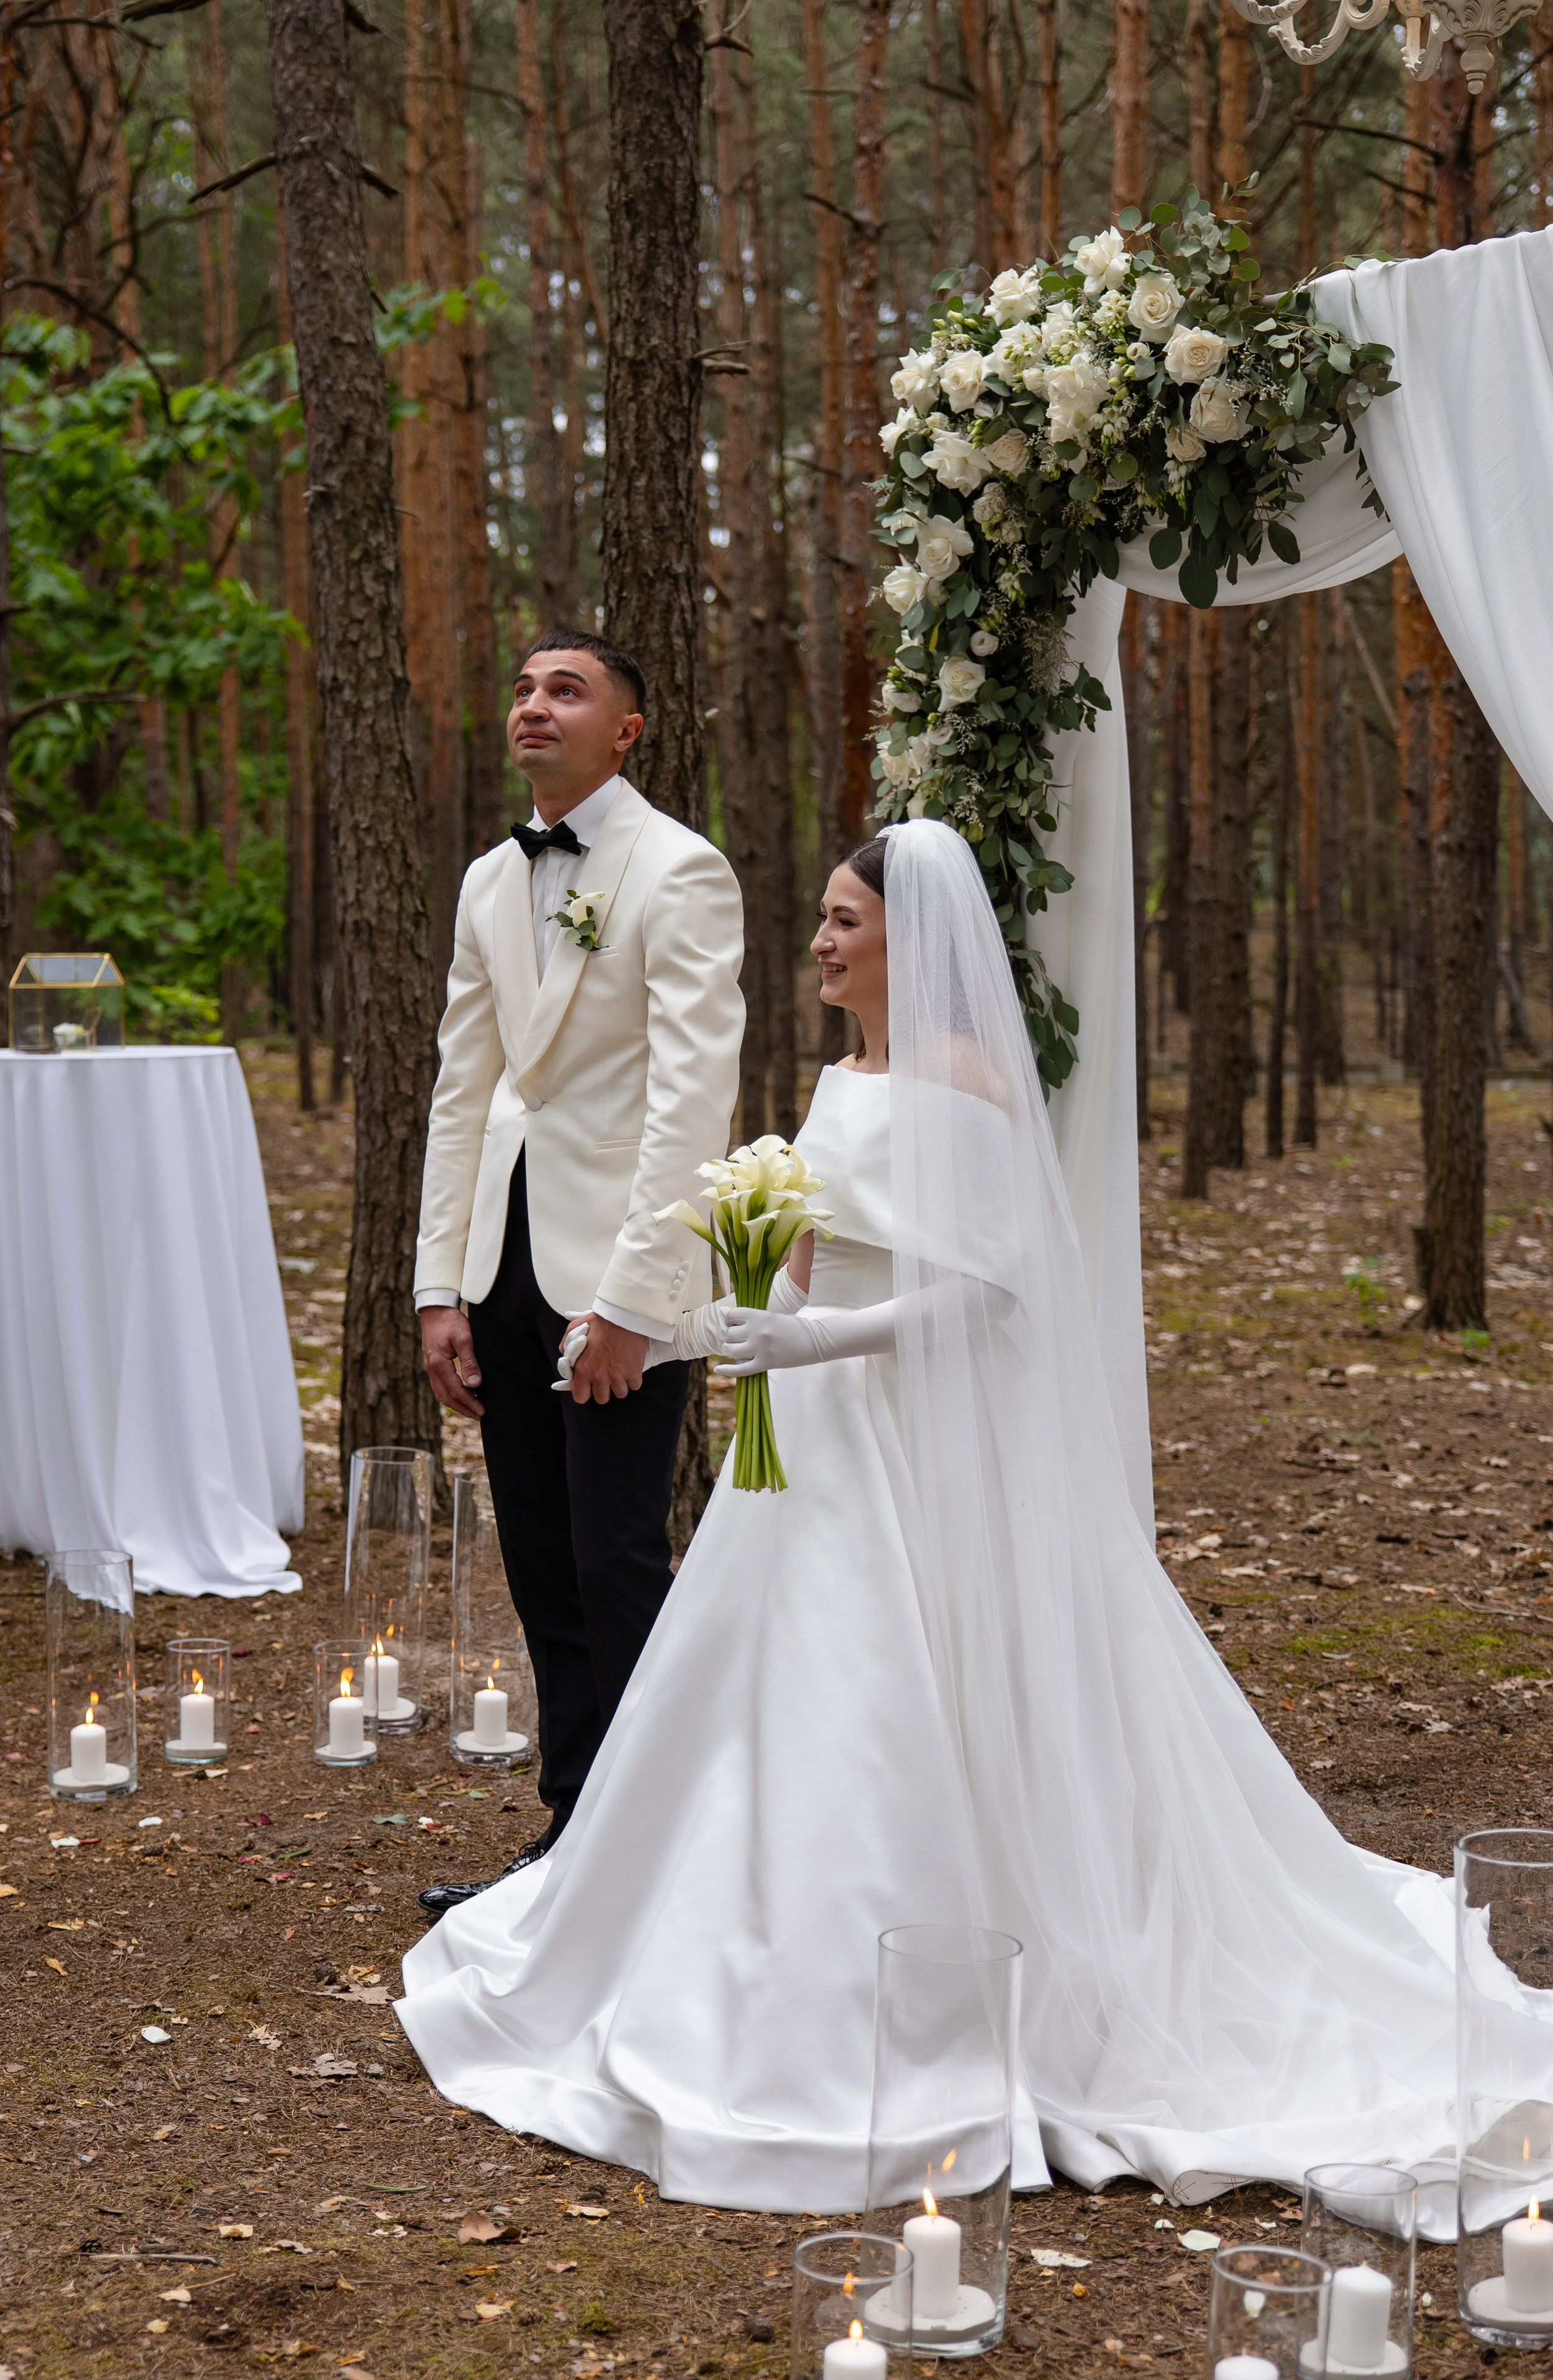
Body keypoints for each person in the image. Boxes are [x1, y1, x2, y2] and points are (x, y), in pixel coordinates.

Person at [397, 819, 1456, 2222]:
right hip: (808, 1444)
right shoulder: (842, 1077)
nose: (821, 943)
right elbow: (813, 1258)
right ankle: (736, 1945)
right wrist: (706, 1324)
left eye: (846, 922)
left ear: (914, 939)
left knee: (890, 1689)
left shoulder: (962, 1080)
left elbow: (992, 1289)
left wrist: (818, 1345)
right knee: (765, 1694)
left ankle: (925, 1974)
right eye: (826, 920)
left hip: (903, 1438)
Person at [414, 633, 743, 1904]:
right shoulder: (489, 880)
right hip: (501, 1264)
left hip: (616, 1277)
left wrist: (631, 1302)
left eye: (567, 690)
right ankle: (571, 1840)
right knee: (541, 1563)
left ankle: (659, 1852)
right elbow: (464, 1088)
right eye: (522, 689)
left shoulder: (681, 869)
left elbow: (690, 1101)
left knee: (615, 1559)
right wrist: (439, 1288)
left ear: (628, 730)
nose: (533, 707)